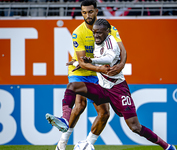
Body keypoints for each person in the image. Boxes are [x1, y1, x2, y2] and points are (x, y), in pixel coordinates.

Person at [46, 18, 177, 150]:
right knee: (72, 86)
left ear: (107, 32)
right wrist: (77, 63)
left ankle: (167, 147)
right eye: (94, 32)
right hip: (102, 88)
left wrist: (89, 61)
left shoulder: (112, 44)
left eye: (99, 33)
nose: (96, 35)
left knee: (135, 127)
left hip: (118, 89)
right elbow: (94, 60)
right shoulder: (98, 42)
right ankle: (64, 119)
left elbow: (107, 59)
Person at [46, 0, 127, 150]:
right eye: (84, 12)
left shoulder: (109, 28)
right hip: (81, 71)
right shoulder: (78, 32)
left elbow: (123, 50)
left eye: (90, 11)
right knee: (80, 104)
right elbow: (82, 63)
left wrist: (121, 65)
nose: (87, 15)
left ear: (96, 11)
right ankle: (62, 143)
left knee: (104, 113)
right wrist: (101, 69)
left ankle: (87, 144)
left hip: (98, 73)